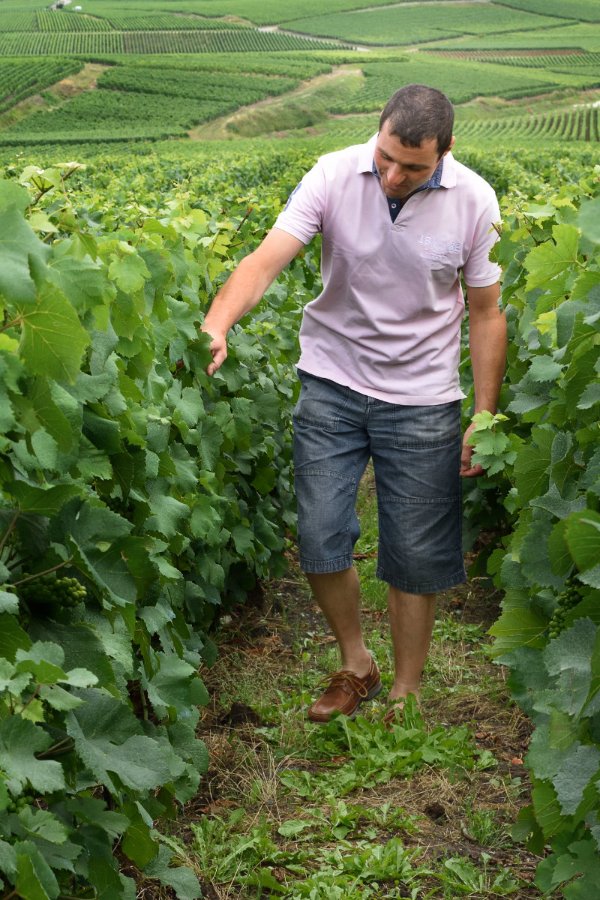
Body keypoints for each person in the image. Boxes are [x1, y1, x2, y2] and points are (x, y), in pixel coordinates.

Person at [201, 83, 506, 724]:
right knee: (319, 535)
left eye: (413, 167)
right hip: (332, 381)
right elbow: (265, 261)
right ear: (379, 132)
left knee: (416, 551)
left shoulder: (475, 201)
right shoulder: (333, 174)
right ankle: (356, 662)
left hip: (424, 396)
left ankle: (405, 692)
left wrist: (483, 413)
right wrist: (219, 322)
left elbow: (485, 313)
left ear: (446, 152)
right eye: (386, 157)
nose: (393, 176)